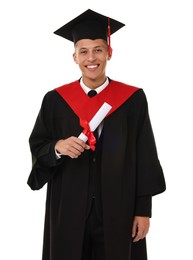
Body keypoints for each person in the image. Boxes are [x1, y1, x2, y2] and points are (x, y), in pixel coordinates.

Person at [27, 9, 166, 260]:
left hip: (118, 209)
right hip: (68, 208)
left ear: (109, 53)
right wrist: (58, 147)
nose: (91, 57)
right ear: (74, 57)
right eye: (84, 51)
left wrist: (143, 210)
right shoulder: (55, 101)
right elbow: (39, 147)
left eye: (98, 49)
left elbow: (145, 156)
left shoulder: (132, 100)